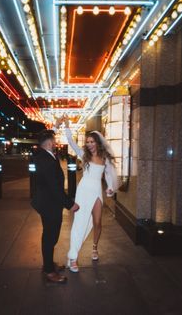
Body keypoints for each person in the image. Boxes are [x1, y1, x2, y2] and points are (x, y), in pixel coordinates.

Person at [63, 115, 118, 273]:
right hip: (83, 190)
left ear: (97, 142)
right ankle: (73, 257)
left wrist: (109, 188)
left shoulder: (104, 157)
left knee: (98, 222)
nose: (89, 144)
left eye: (92, 141)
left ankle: (94, 248)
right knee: (79, 223)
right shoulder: (84, 155)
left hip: (96, 191)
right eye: (87, 142)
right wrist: (67, 125)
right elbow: (71, 142)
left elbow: (108, 174)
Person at [31, 125, 79, 283]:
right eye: (54, 140)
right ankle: (50, 272)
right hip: (49, 204)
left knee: (49, 236)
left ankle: (48, 265)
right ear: (50, 143)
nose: (56, 142)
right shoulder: (47, 160)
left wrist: (55, 126)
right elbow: (55, 188)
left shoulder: (45, 155)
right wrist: (69, 204)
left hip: (46, 203)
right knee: (50, 237)